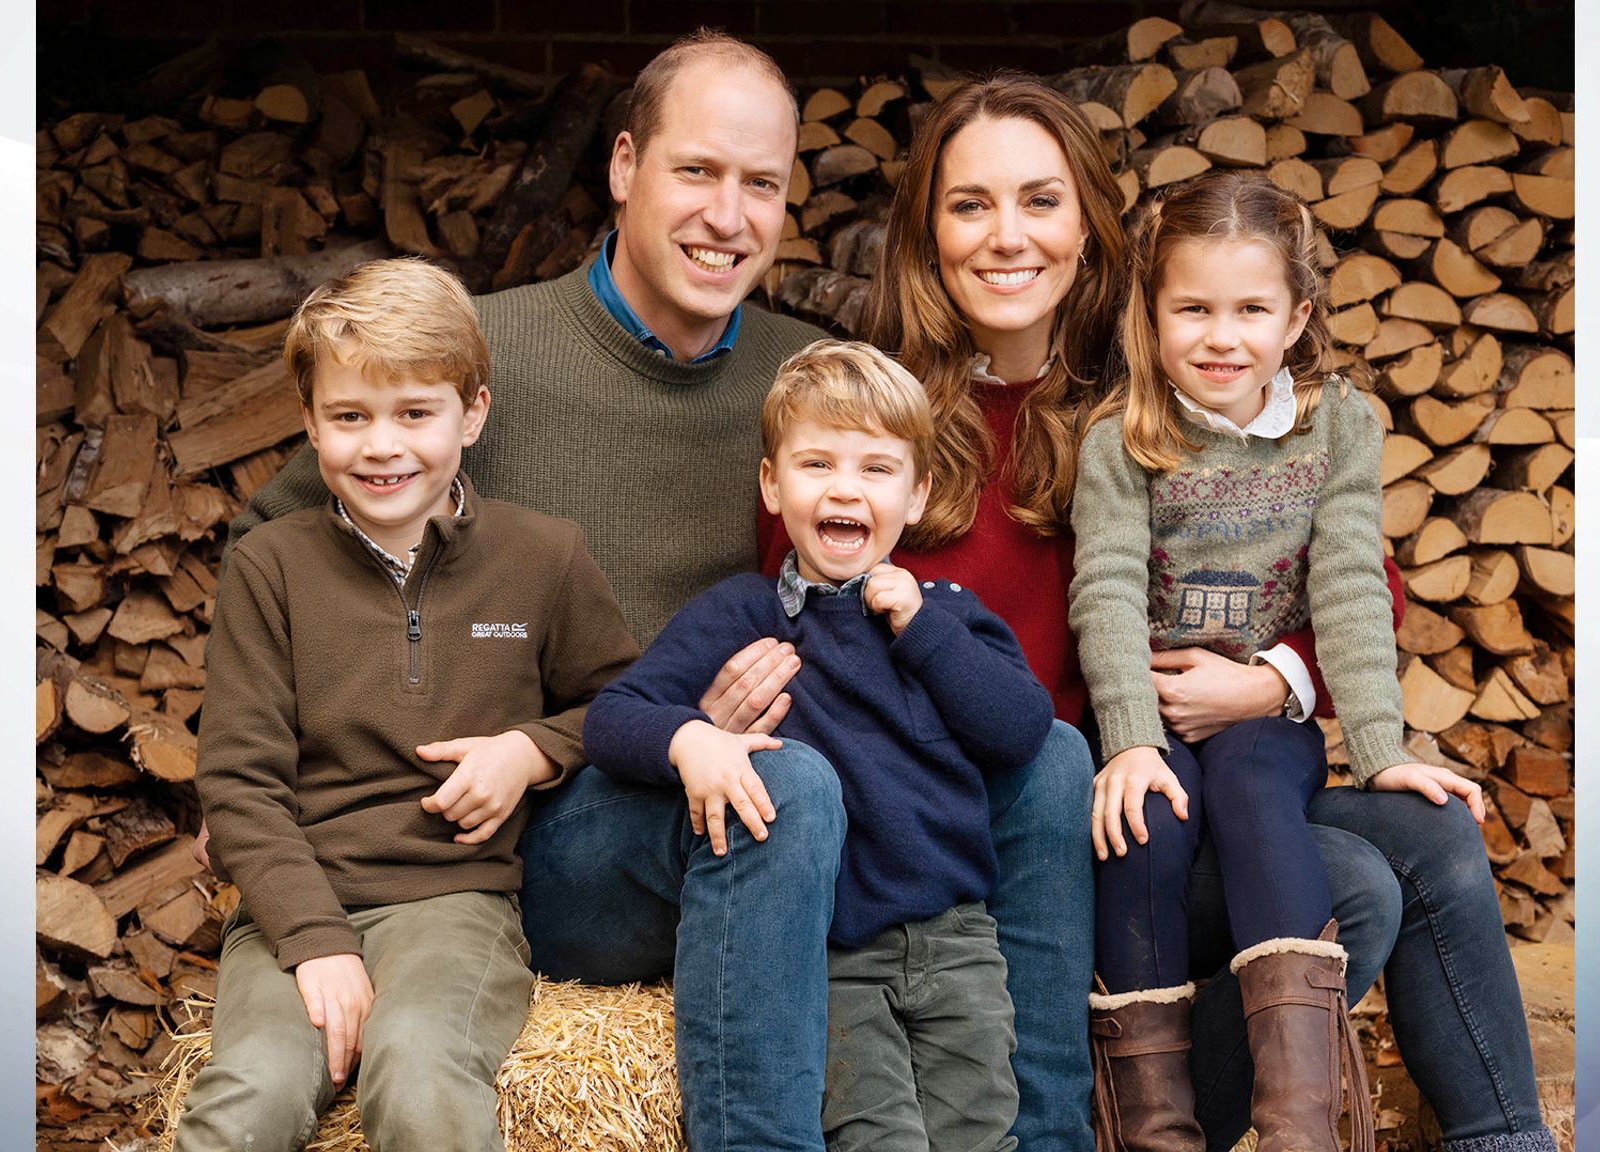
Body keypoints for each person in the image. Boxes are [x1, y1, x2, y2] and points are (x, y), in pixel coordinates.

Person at [211, 32, 1095, 1152]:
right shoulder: (484, 358)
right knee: (796, 791)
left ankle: (1050, 1135)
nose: (726, 216)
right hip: (553, 835)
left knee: (1048, 759)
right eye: (695, 172)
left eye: (759, 185)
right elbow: (280, 543)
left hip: (758, 793)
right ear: (623, 165)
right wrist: (402, 755)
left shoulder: (800, 374)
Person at [752, 73, 1408, 1152]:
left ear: (1089, 229)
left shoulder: (1159, 384)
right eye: (969, 205)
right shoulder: (867, 418)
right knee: (1329, 874)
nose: (1005, 237)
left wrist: (1270, 680)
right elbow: (804, 605)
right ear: (925, 234)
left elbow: (1356, 581)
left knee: (1382, 870)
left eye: (1038, 201)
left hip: (1139, 800)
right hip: (963, 829)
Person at [1068, 171, 1491, 1151]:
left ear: (1296, 316)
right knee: (1144, 827)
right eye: (1192, 309)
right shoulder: (1121, 437)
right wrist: (1128, 741)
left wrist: (1379, 748)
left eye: (1250, 309)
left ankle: (1296, 1123)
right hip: (1150, 716)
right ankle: (1151, 1128)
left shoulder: (1336, 425)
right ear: (1151, 311)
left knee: (1260, 795)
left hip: (1265, 719)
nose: (1221, 336)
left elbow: (1346, 581)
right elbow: (1105, 589)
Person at [175, 258, 640, 1152]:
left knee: (420, 1068)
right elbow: (236, 784)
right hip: (293, 904)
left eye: (414, 413)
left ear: (473, 414)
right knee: (248, 1097)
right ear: (309, 424)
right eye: (350, 417)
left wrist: (532, 749)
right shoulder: (270, 567)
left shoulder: (543, 557)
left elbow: (621, 701)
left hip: (455, 904)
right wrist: (316, 942)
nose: (382, 446)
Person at [589, 340, 1051, 1152]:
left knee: (981, 1133)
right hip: (837, 951)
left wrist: (920, 628)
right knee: (879, 1138)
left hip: (959, 943)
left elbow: (1019, 732)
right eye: (816, 464)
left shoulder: (948, 615)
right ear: (773, 486)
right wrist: (691, 737)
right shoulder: (742, 614)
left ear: (917, 496)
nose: (845, 488)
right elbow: (614, 717)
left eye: (877, 469)